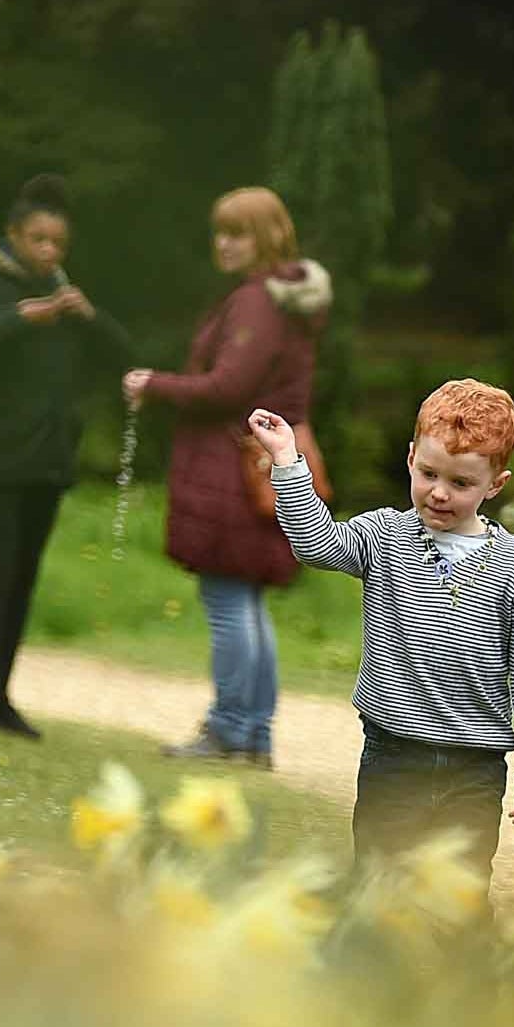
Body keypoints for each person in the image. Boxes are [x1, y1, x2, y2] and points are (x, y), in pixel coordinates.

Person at [249, 380, 514, 904]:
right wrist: (287, 462)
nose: (439, 492)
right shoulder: (383, 536)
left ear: (495, 485)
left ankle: (453, 983)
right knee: (377, 888)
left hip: (475, 769)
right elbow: (316, 542)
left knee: (456, 899)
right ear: (411, 458)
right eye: (429, 474)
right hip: (392, 755)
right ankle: (363, 981)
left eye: (461, 483)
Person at [122, 188, 330, 768]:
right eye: (219, 231)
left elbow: (228, 388)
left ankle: (233, 730)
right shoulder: (285, 299)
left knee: (228, 599)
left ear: (266, 237)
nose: (223, 243)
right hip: (266, 463)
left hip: (234, 470)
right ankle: (252, 734)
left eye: (236, 232)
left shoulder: (258, 302)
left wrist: (153, 385)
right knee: (245, 599)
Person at [0, 173, 132, 737]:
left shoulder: (65, 299)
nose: (48, 251)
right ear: (13, 237)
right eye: (38, 240)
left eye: (58, 244)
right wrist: (19, 318)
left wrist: (88, 315)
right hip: (0, 459)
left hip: (50, 460)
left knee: (24, 577)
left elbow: (125, 354)